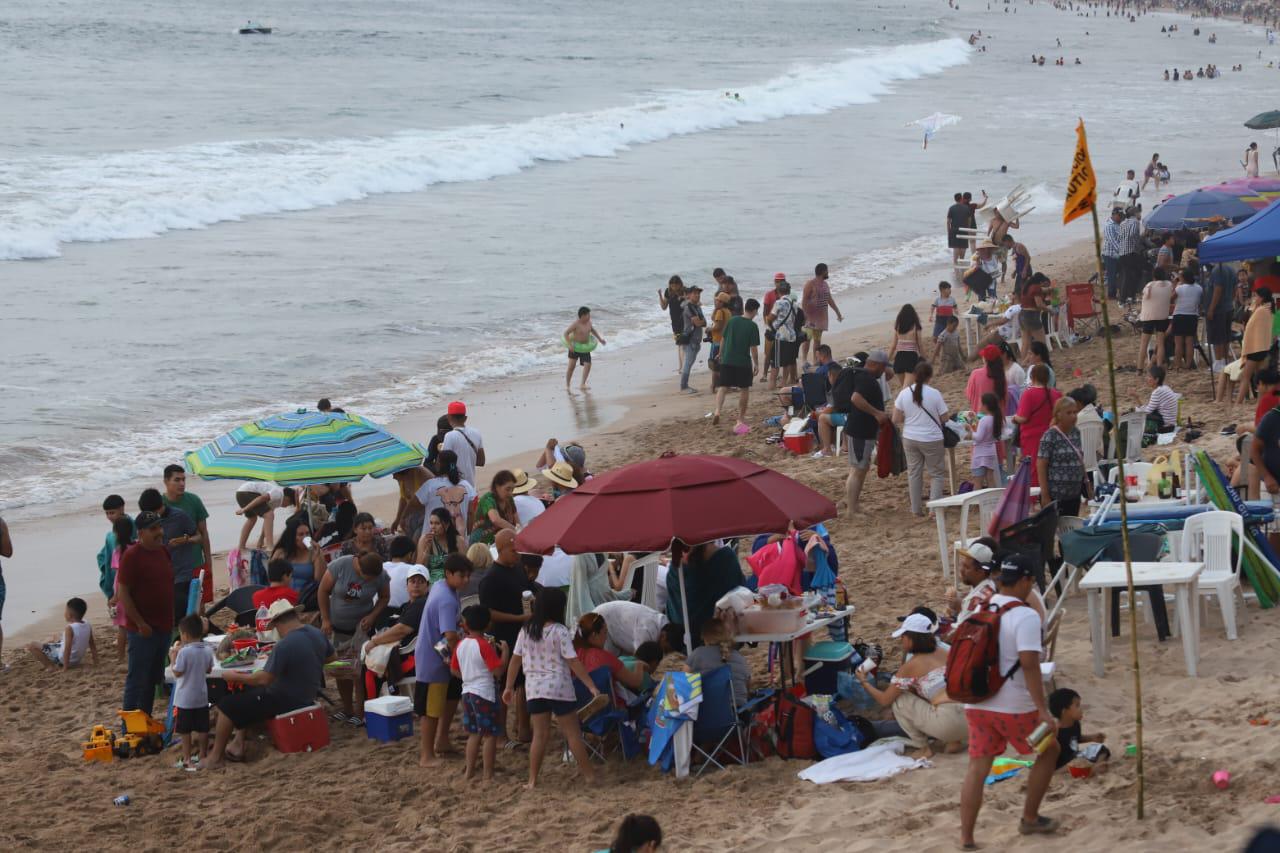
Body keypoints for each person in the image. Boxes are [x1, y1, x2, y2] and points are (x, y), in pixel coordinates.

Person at [958, 554, 1059, 848]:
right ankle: (1029, 818)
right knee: (1050, 749)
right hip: (1014, 708)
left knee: (977, 768)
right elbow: (1030, 665)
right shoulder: (1025, 615)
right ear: (1026, 580)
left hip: (976, 704)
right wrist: (1043, 710)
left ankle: (966, 837)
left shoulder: (982, 605)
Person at [206, 599, 333, 768]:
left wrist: (235, 676)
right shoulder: (316, 633)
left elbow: (264, 678)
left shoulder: (285, 645)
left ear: (279, 623)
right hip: (307, 693)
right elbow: (332, 658)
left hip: (285, 699)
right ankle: (238, 743)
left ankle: (215, 758)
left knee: (226, 706)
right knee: (247, 692)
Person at [502, 586, 602, 789]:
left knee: (539, 736)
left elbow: (515, 661)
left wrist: (509, 686)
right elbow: (573, 661)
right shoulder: (560, 631)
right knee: (573, 733)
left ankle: (532, 780)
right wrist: (591, 686)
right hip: (559, 687)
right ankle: (590, 776)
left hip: (534, 689)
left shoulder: (526, 630)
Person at [855, 612, 966, 757]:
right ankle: (954, 742)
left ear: (912, 638)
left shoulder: (911, 665)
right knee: (929, 690)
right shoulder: (945, 651)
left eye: (903, 636)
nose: (901, 640)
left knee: (899, 700)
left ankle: (923, 747)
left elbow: (884, 700)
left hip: (948, 723)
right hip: (969, 718)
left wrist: (863, 681)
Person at [479, 529, 538, 742]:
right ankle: (501, 732)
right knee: (506, 685)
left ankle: (523, 729)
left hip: (525, 634)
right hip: (503, 637)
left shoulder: (518, 569)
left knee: (525, 682)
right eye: (514, 550)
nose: (518, 554)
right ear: (501, 549)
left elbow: (529, 589)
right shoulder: (491, 578)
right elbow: (488, 613)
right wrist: (518, 618)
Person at [414, 553, 473, 765]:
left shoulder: (443, 586)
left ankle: (442, 741)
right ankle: (426, 755)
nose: (466, 580)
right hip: (434, 660)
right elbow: (449, 636)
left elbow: (454, 624)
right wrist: (462, 659)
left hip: (437, 654)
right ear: (449, 573)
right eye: (462, 576)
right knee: (431, 710)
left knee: (449, 699)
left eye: (468, 576)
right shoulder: (446, 598)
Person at [318, 551, 390, 724]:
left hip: (361, 630)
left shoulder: (380, 575)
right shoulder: (340, 566)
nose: (369, 582)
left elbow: (385, 597)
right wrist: (326, 619)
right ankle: (347, 709)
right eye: (367, 578)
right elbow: (322, 590)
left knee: (359, 672)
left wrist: (373, 615)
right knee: (340, 670)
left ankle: (360, 712)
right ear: (358, 565)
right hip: (337, 628)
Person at [117, 511, 175, 716]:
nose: (159, 532)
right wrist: (140, 623)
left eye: (160, 527)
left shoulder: (163, 551)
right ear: (141, 533)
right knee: (137, 680)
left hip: (164, 627)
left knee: (153, 679)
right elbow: (122, 593)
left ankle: (145, 721)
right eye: (153, 529)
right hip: (143, 630)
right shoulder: (131, 556)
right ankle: (130, 729)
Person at [450, 605, 509, 782]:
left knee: (474, 734)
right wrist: (505, 653)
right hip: (484, 693)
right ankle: (487, 774)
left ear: (466, 624)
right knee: (490, 735)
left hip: (467, 692)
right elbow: (498, 671)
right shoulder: (484, 645)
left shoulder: (461, 644)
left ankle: (469, 772)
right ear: (488, 624)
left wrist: (468, 676)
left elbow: (454, 670)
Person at [893, 362, 949, 517]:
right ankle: (934, 509)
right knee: (936, 474)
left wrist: (911, 417)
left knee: (914, 473)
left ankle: (916, 509)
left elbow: (896, 418)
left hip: (910, 437)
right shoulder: (934, 393)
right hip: (931, 438)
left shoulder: (904, 393)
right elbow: (944, 418)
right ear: (929, 377)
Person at [138, 488, 199, 626]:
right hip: (160, 575)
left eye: (152, 514)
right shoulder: (147, 523)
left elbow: (199, 536)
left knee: (179, 612)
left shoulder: (179, 516)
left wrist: (184, 539)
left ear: (159, 508)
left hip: (182, 573)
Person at [845, 350, 890, 513]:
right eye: (883, 367)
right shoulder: (866, 378)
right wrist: (877, 413)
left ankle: (854, 505)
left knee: (860, 468)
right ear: (876, 365)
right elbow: (855, 398)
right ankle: (851, 509)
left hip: (862, 429)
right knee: (857, 470)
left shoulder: (864, 376)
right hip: (860, 431)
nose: (884, 371)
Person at [163, 465, 212, 608]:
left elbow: (204, 533)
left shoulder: (194, 501)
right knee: (174, 606)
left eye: (183, 480)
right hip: (169, 565)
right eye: (177, 480)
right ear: (166, 481)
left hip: (195, 562)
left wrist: (208, 561)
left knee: (198, 605)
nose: (182, 484)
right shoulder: (159, 504)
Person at [169, 613, 213, 770]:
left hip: (184, 699)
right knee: (203, 728)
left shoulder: (184, 652)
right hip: (201, 697)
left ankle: (187, 758)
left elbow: (177, 672)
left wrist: (172, 657)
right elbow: (209, 669)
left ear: (185, 635)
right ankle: (203, 754)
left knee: (185, 730)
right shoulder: (207, 650)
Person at [572, 612, 652, 695]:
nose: (606, 637)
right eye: (605, 632)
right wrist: (639, 664)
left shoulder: (573, 655)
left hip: (582, 705)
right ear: (594, 635)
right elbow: (635, 682)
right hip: (608, 705)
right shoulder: (603, 657)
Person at [712, 296, 760, 434]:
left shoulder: (732, 320)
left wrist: (720, 354)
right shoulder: (752, 326)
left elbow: (723, 339)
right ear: (755, 310)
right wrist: (756, 364)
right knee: (744, 390)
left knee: (723, 387)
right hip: (743, 362)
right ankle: (740, 418)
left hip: (727, 360)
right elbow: (754, 349)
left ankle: (717, 411)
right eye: (757, 312)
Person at [1037, 397, 1091, 517]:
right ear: (1059, 415)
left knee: (1070, 529)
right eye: (1069, 413)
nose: (1073, 416)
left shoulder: (1076, 433)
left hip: (1074, 496)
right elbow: (1041, 465)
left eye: (1075, 412)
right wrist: (1045, 495)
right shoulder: (1050, 436)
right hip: (1055, 496)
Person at [685, 615, 750, 706]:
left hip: (709, 716)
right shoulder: (740, 658)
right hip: (740, 715)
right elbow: (747, 688)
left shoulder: (698, 654)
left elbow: (682, 684)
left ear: (705, 637)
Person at [1014, 364, 1061, 483]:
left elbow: (1023, 418)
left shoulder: (1028, 394)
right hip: (1052, 435)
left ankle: (1035, 497)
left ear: (1032, 377)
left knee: (1033, 468)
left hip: (1032, 438)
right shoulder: (1056, 394)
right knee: (1050, 465)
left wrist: (1014, 418)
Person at [415, 449, 477, 537]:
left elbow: (413, 505)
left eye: (437, 460)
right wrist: (468, 533)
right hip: (459, 542)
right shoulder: (466, 485)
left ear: (439, 464)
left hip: (432, 540)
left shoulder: (430, 485)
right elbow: (470, 512)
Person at [26, 596, 96, 672]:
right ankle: (50, 646)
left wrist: (65, 668)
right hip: (77, 659)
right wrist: (96, 661)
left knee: (32, 645)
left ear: (69, 615)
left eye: (65, 611)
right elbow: (92, 644)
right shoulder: (87, 624)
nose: (64, 613)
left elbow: (67, 649)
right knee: (56, 638)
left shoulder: (70, 628)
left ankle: (50, 666)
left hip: (64, 660)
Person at [592, 599, 682, 656]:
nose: (664, 653)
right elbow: (639, 659)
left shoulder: (665, 624)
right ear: (663, 636)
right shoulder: (647, 630)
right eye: (665, 649)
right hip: (603, 619)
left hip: (612, 617)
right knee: (610, 664)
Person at [1048, 688, 1109, 771]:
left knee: (1101, 748)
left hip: (1076, 756)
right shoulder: (1056, 731)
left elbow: (1076, 739)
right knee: (1074, 764)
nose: (1081, 709)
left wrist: (1092, 737)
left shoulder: (1075, 723)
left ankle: (1098, 764)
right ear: (1065, 711)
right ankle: (1092, 769)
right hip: (1062, 765)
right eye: (1077, 705)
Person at [943, 539, 999, 628]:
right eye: (962, 564)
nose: (961, 570)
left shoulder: (977, 598)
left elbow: (959, 632)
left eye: (967, 567)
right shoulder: (989, 585)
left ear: (980, 572)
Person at [233, 482, 296, 558]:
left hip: (240, 492)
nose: (286, 507)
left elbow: (268, 521)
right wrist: (244, 509)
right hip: (247, 492)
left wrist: (261, 540)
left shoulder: (276, 501)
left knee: (252, 518)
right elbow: (261, 498)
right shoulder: (278, 494)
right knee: (269, 515)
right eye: (289, 504)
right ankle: (270, 546)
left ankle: (241, 547)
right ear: (287, 498)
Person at [96, 494, 133, 621]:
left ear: (122, 509)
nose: (109, 516)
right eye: (107, 513)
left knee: (122, 613)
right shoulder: (116, 530)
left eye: (112, 512)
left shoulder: (129, 527)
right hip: (118, 575)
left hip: (121, 577)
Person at [269, 515, 325, 596]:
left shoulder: (314, 553)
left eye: (307, 533)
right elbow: (273, 578)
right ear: (292, 537)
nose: (305, 537)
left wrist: (319, 555)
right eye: (301, 534)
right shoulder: (281, 553)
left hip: (306, 596)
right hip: (284, 595)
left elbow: (319, 581)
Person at [800, 262, 842, 365]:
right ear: (823, 271)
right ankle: (804, 360)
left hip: (821, 318)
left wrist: (838, 313)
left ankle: (816, 360)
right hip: (809, 317)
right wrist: (804, 315)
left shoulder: (825, 284)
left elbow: (829, 299)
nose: (828, 272)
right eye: (827, 270)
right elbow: (804, 300)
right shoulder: (810, 284)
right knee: (807, 339)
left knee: (817, 340)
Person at [105, 516, 135, 659]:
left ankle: (121, 656)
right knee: (136, 624)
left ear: (116, 533)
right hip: (136, 591)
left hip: (122, 593)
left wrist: (115, 596)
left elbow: (118, 577)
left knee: (122, 628)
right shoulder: (136, 548)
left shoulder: (118, 551)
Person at [1238, 288, 1274, 405]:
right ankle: (1261, 402)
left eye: (1256, 296)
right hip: (1264, 347)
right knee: (1261, 380)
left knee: (1245, 377)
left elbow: (1249, 327)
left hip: (1255, 349)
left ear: (1262, 298)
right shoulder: (1268, 309)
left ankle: (1238, 403)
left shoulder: (1260, 311)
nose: (1254, 299)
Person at [442, 401, 485, 488]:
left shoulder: (449, 436)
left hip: (455, 487)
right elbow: (481, 461)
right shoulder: (476, 433)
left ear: (448, 417)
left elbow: (446, 463)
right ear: (465, 418)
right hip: (471, 487)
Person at [1206, 261, 1237, 382]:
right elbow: (1235, 288)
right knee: (1225, 335)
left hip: (1218, 309)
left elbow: (1218, 289)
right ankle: (1224, 360)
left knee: (1217, 336)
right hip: (1228, 307)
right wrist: (1230, 300)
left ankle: (1218, 361)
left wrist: (1211, 308)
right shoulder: (1230, 269)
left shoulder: (1217, 270)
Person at [471, 470, 519, 545]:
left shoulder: (509, 500)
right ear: (497, 487)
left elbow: (517, 522)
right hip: (482, 542)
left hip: (501, 539)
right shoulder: (488, 499)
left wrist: (520, 531)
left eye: (512, 489)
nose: (510, 493)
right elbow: (495, 519)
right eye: (507, 489)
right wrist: (516, 531)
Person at [767, 281, 800, 390]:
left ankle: (772, 384)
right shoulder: (794, 304)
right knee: (786, 361)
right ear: (789, 291)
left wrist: (771, 326)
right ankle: (783, 382)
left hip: (781, 335)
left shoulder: (779, 303)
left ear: (778, 292)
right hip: (791, 335)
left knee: (775, 362)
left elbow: (770, 318)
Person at [969, 392, 1005, 488]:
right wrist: (974, 420)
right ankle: (992, 501)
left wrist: (970, 433)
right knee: (990, 479)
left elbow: (979, 437)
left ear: (985, 406)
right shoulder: (997, 419)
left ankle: (976, 503)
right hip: (990, 452)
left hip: (980, 454)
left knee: (978, 481)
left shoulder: (984, 420)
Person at [565, 306, 607, 389]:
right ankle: (567, 385)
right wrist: (570, 345)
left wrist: (600, 339)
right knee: (571, 367)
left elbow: (592, 330)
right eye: (588, 315)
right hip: (575, 347)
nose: (589, 316)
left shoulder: (589, 322)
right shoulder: (575, 324)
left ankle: (582, 384)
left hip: (585, 348)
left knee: (588, 364)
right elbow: (566, 333)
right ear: (583, 316)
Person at [415, 507, 461, 583]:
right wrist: (427, 551)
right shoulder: (425, 539)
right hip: (432, 584)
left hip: (453, 583)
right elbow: (419, 569)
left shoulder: (458, 540)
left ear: (447, 525)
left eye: (437, 523)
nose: (433, 527)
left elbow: (465, 567)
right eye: (431, 523)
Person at [965, 344, 1012, 415]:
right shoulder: (1001, 376)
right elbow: (1005, 399)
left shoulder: (975, 374)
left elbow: (969, 396)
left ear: (984, 358)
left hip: (980, 418)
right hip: (998, 420)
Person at [382, 535, 426, 609]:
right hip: (400, 612)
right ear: (410, 555)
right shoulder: (411, 569)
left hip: (378, 611)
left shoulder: (382, 566)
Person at [1171, 270, 1203, 370]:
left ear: (1183, 278)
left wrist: (1175, 284)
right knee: (1189, 342)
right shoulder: (1199, 288)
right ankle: (1188, 364)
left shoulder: (1180, 288)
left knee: (1178, 342)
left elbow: (1171, 298)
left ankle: (1178, 364)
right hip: (1192, 315)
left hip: (1179, 315)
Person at [888, 304, 924, 391]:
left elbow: (893, 346)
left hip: (899, 358)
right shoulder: (916, 327)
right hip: (911, 358)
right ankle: (900, 404)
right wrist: (924, 358)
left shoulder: (898, 327)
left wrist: (886, 360)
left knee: (906, 388)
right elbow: (920, 345)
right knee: (907, 389)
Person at [1138, 365, 1180, 434]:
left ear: (1156, 380)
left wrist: (1136, 399)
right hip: (1170, 423)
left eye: (1149, 377)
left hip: (1165, 426)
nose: (1147, 379)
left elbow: (1146, 412)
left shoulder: (1157, 392)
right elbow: (1150, 409)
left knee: (1138, 417)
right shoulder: (1165, 387)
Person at [659, 275, 687, 374]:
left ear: (680, 284)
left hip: (685, 320)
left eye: (676, 285)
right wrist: (660, 296)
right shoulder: (668, 292)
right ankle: (681, 367)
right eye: (672, 285)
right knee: (680, 344)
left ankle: (683, 367)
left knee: (683, 344)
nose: (674, 287)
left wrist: (685, 297)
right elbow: (663, 307)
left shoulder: (685, 291)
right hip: (675, 321)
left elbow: (694, 303)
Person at [390, 465, 429, 538]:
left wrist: (403, 518)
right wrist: (397, 520)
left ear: (401, 471)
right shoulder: (402, 479)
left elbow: (415, 502)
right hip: (416, 515)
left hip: (429, 515)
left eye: (394, 474)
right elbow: (403, 499)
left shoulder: (420, 473)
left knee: (416, 539)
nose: (393, 477)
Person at [1019, 272, 1049, 355]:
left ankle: (1023, 363)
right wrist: (1049, 311)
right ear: (1040, 282)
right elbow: (1039, 304)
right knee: (1042, 343)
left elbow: (1041, 290)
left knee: (1025, 343)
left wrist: (1049, 289)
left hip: (1022, 314)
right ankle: (1044, 362)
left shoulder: (1027, 286)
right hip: (1031, 316)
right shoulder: (1036, 288)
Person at [947, 192, 973, 265]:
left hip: (954, 230)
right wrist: (967, 228)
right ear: (961, 198)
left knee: (956, 248)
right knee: (963, 247)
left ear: (955, 199)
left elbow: (948, 222)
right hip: (964, 229)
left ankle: (955, 264)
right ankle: (961, 261)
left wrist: (948, 231)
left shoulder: (951, 208)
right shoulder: (966, 208)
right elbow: (969, 220)